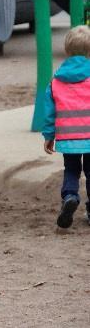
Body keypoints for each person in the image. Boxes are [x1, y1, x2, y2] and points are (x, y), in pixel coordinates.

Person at [42, 25, 90, 228]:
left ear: (67, 51)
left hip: (68, 138)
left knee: (71, 170)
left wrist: (48, 135)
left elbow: (49, 112)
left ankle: (70, 196)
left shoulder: (55, 81)